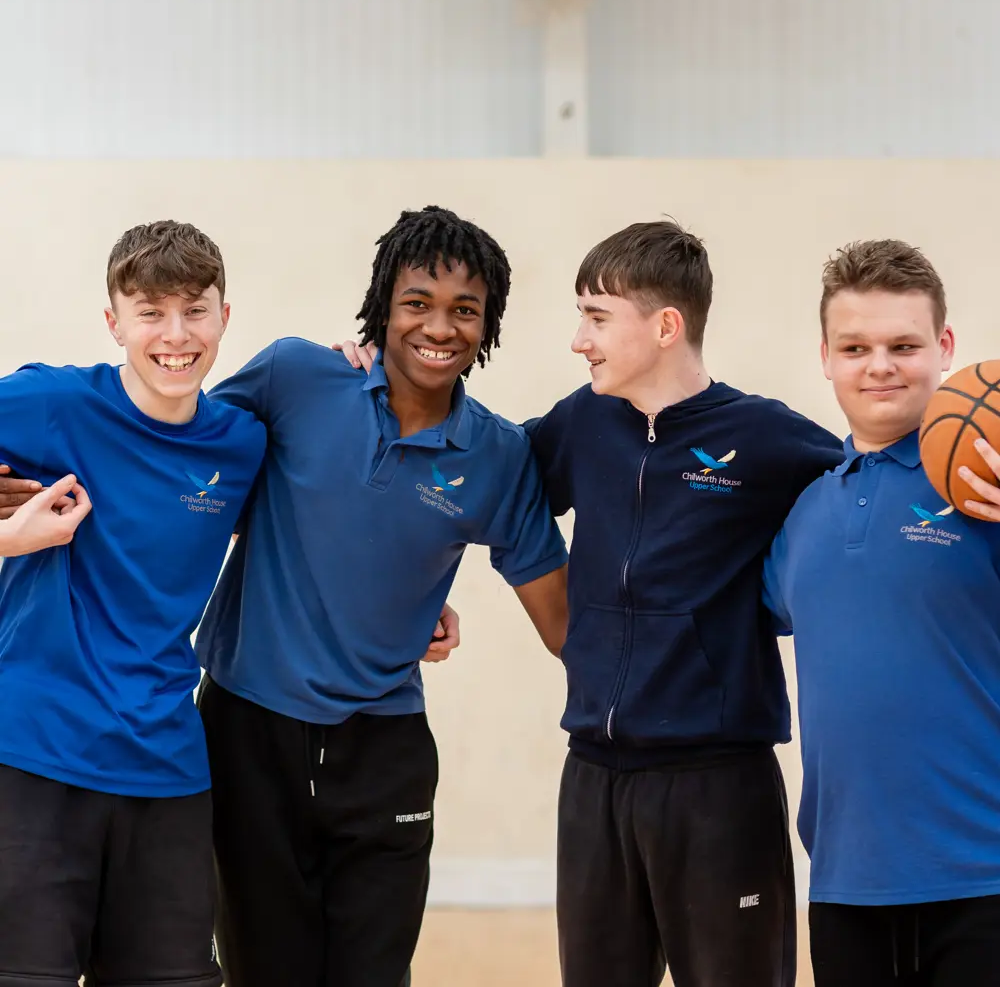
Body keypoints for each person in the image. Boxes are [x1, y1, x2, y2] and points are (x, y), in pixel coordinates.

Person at [340, 218, 846, 986]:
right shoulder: (584, 423)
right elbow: (479, 480)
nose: (579, 339)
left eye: (597, 317)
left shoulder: (768, 439)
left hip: (720, 785)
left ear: (667, 326)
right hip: (593, 782)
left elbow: (866, 495)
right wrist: (409, 596)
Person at [186, 205, 569, 987]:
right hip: (249, 731)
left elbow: (565, 624)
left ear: (488, 322)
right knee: (264, 972)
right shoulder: (294, 376)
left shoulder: (498, 457)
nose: (441, 326)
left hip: (385, 748)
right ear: (381, 308)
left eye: (466, 309)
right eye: (418, 302)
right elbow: (179, 457)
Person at [0, 220, 267, 986]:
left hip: (167, 769)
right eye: (150, 312)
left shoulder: (240, 444)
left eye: (194, 310)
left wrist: (416, 611)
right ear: (113, 322)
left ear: (224, 316)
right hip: (34, 757)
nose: (175, 335)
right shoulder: (53, 404)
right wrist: (8, 541)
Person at [763, 239, 1000, 986]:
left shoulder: (986, 486)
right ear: (826, 357)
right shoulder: (803, 511)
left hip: (982, 879)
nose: (880, 365)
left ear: (946, 348)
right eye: (856, 346)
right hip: (842, 883)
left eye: (904, 344)